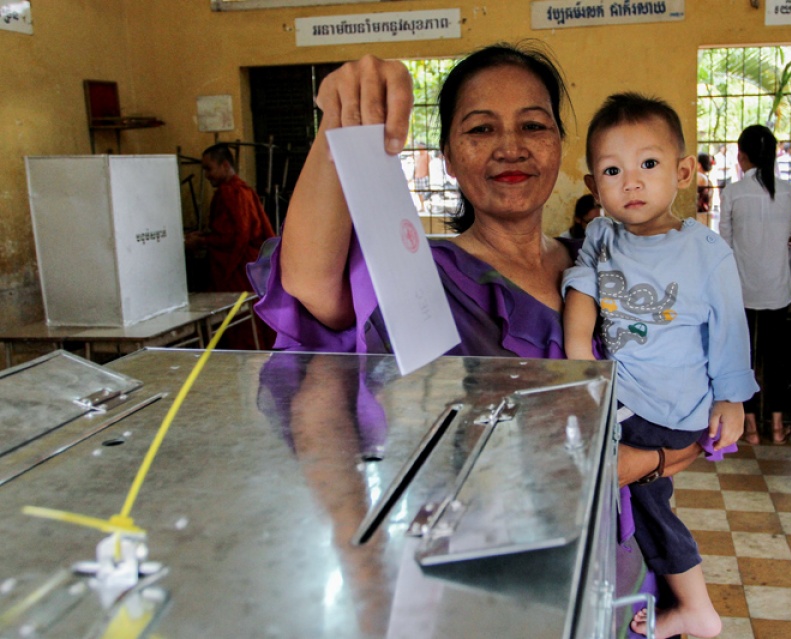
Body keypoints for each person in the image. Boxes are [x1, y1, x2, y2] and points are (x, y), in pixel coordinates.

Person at [253, 44, 732, 532]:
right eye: (481, 128)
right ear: (449, 159)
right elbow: (310, 279)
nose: (511, 147)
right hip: (490, 550)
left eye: (533, 125)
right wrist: (342, 121)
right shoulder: (426, 277)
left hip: (613, 543)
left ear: (559, 147)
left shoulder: (600, 264)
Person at [563, 93, 756, 639]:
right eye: (612, 170)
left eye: (648, 164)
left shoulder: (707, 251)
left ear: (683, 171)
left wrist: (731, 401)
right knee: (628, 499)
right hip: (621, 398)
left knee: (642, 498)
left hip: (670, 407)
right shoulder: (602, 236)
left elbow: (729, 333)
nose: (631, 182)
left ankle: (695, 609)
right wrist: (580, 354)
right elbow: (581, 284)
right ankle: (638, 591)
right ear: (593, 185)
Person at [719, 125, 791, 445]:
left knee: (744, 359)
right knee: (776, 358)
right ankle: (777, 427)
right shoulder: (787, 191)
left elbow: (724, 244)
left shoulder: (733, 192)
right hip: (777, 289)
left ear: (741, 156)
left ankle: (749, 428)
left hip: (742, 291)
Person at [185, 143, 277, 293]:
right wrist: (204, 235)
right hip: (254, 264)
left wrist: (201, 241)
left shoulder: (230, 193)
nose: (207, 175)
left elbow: (233, 237)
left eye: (209, 169)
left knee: (236, 311)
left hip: (238, 264)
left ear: (225, 165)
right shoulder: (244, 190)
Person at [413, 141, 430, 211]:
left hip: (424, 176)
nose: (418, 148)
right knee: (419, 193)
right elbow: (415, 167)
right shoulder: (417, 156)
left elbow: (429, 166)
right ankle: (422, 206)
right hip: (417, 177)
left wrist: (429, 176)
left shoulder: (427, 155)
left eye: (419, 146)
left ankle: (425, 206)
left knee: (424, 193)